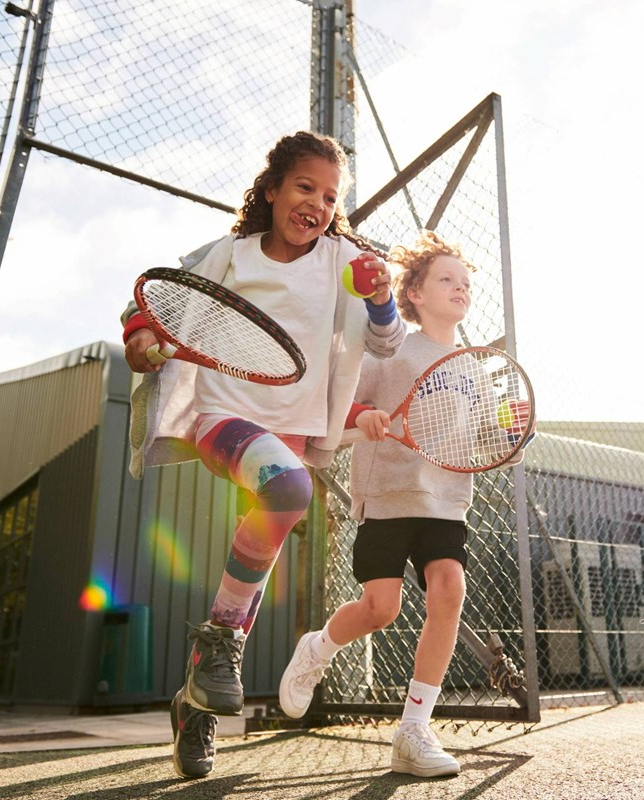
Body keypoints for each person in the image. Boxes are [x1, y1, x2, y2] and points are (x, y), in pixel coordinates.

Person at [120, 131, 407, 780]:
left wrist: (382, 296)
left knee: (269, 532)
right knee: (287, 493)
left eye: (331, 196)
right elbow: (148, 310)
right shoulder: (232, 254)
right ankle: (218, 649)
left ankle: (197, 699)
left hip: (293, 436)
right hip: (222, 420)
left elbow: (386, 343)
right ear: (273, 189)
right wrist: (142, 343)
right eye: (305, 187)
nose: (317, 203)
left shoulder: (342, 259)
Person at [276, 230, 506, 778]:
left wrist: (509, 439)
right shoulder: (393, 346)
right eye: (446, 279)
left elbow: (488, 439)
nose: (460, 288)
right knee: (382, 608)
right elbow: (349, 397)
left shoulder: (474, 365)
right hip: (387, 495)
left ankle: (414, 729)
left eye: (466, 283)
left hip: (447, 502)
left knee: (449, 590)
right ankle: (317, 648)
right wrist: (363, 417)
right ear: (416, 294)